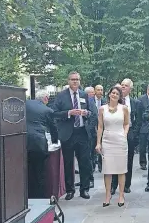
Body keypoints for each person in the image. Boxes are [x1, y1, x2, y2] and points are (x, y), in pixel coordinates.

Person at [53, 71, 97, 200]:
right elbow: (54, 113)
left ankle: (84, 189)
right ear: (68, 81)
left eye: (77, 79)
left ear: (80, 81)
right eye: (73, 79)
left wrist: (86, 113)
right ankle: (70, 190)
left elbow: (92, 113)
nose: (75, 82)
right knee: (68, 163)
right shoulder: (61, 96)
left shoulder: (84, 95)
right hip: (68, 134)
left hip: (82, 133)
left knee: (85, 162)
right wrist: (69, 113)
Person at [96, 86, 129, 207]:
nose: (114, 95)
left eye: (117, 93)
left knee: (121, 169)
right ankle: (107, 194)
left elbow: (126, 124)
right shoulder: (102, 109)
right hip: (107, 140)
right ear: (109, 94)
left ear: (120, 97)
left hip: (120, 140)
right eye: (112, 93)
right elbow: (100, 126)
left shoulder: (124, 108)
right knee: (107, 170)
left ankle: (121, 195)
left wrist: (124, 135)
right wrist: (98, 142)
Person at [26, 90, 58, 198]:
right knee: (39, 171)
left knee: (26, 170)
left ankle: (27, 194)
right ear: (45, 98)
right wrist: (55, 141)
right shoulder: (48, 110)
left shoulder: (26, 103)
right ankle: (39, 196)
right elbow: (54, 128)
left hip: (21, 141)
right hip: (38, 143)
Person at [111, 78, 141, 194]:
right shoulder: (114, 101)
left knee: (128, 159)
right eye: (122, 85)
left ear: (130, 88)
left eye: (126, 85)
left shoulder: (135, 103)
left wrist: (134, 134)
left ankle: (126, 185)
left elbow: (138, 120)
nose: (123, 87)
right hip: (115, 133)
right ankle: (113, 185)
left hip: (129, 134)